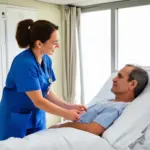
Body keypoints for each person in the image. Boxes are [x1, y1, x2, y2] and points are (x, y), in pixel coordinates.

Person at [0, 19, 87, 140]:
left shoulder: (46, 60)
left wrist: (68, 106)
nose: (58, 46)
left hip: (37, 116)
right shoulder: (24, 63)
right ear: (39, 44)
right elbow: (39, 100)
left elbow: (47, 91)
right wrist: (66, 114)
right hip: (16, 118)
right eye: (54, 42)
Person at [50, 64, 149, 135]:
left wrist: (64, 125)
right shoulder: (109, 101)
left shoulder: (116, 107)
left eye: (120, 77)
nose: (114, 79)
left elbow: (93, 129)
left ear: (132, 84)